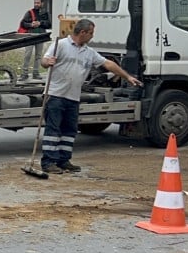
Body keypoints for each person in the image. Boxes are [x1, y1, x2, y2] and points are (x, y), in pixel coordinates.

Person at [39, 18, 142, 174]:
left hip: (73, 97)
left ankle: (63, 160)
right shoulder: (61, 45)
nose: (92, 36)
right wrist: (48, 62)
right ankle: (48, 162)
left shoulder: (89, 52)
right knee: (53, 130)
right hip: (55, 95)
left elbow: (108, 64)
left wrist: (127, 77)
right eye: (91, 33)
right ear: (83, 32)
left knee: (69, 130)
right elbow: (44, 60)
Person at [19, 0, 49, 80]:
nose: (36, 4)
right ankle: (24, 74)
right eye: (35, 3)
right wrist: (30, 25)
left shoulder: (45, 13)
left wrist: (40, 23)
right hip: (30, 36)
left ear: (42, 3)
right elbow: (22, 24)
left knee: (38, 55)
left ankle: (36, 73)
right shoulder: (29, 12)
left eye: (38, 3)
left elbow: (48, 24)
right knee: (27, 55)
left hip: (40, 36)